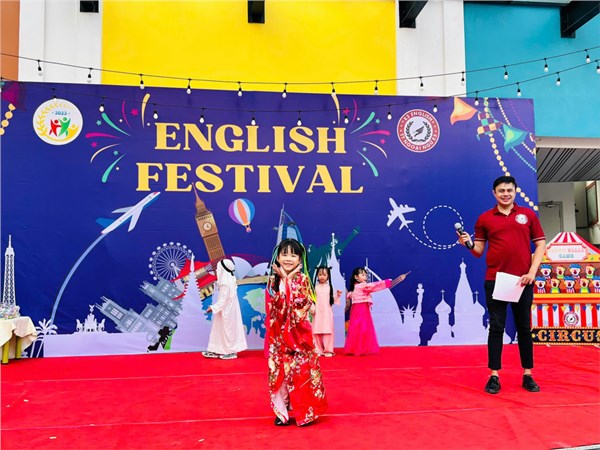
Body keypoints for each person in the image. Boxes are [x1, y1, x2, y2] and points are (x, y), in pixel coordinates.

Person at [458, 175, 546, 394]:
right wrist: (467, 244)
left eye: (509, 190)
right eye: (501, 191)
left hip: (523, 280)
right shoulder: (485, 218)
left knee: (524, 328)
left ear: (515, 191)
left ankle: (528, 374)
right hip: (496, 280)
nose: (505, 194)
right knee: (496, 328)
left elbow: (540, 244)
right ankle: (494, 376)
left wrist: (531, 272)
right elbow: (478, 251)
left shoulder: (528, 215)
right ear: (494, 193)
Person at [265, 238, 327, 426]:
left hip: (299, 336)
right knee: (279, 375)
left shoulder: (303, 279)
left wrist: (288, 280)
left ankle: (304, 412)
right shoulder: (273, 279)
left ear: (300, 259)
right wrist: (284, 281)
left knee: (300, 373)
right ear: (278, 257)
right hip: (279, 336)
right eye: (284, 254)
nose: (288, 258)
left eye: (293, 255)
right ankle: (281, 412)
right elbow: (274, 306)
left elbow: (300, 305)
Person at [343, 267, 409, 356]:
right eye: (362, 275)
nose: (365, 276)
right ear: (356, 277)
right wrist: (386, 282)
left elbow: (351, 295)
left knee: (356, 329)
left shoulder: (356, 287)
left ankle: (355, 349)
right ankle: (360, 349)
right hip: (361, 309)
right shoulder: (362, 286)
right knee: (362, 328)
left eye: (365, 275)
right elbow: (374, 286)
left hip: (356, 309)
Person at [202, 259, 248, 360]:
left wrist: (212, 307)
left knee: (228, 331)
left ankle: (231, 351)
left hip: (227, 311)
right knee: (218, 330)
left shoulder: (226, 282)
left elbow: (224, 300)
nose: (217, 270)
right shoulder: (229, 280)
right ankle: (215, 350)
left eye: (218, 268)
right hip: (224, 310)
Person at [312, 266, 342, 357]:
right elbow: (311, 300)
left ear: (328, 276)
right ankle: (317, 349)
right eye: (320, 274)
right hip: (317, 312)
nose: (322, 277)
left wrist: (337, 295)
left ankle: (328, 350)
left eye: (324, 275)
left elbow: (333, 300)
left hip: (327, 312)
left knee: (327, 331)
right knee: (316, 331)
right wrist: (312, 307)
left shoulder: (330, 288)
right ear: (317, 275)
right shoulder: (314, 287)